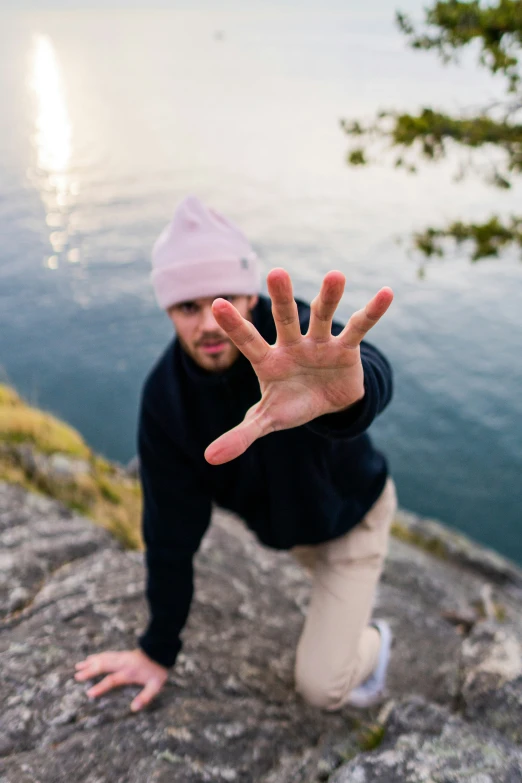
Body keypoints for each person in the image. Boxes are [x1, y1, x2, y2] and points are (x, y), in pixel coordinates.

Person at [74, 195, 397, 714]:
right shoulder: (165, 402)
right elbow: (169, 536)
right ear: (168, 310)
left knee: (321, 689)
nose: (207, 324)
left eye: (222, 299)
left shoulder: (298, 344)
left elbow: (367, 369)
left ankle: (377, 641)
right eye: (187, 306)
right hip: (291, 532)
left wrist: (350, 398)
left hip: (352, 521)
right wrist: (157, 651)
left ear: (250, 298)